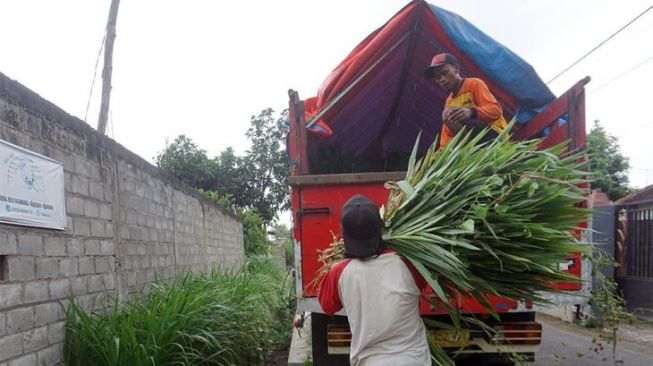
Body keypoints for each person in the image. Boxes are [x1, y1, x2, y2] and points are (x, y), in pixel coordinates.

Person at [317, 194, 430, 366]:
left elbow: (327, 306)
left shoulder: (339, 272)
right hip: (413, 360)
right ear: (381, 228)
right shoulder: (409, 264)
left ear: (344, 234)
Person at [424, 52, 507, 148]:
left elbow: (496, 111)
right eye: (438, 77)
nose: (442, 79)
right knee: (447, 115)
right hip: (476, 140)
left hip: (494, 134)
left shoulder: (474, 84)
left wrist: (472, 112)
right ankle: (470, 150)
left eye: (445, 73)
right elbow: (446, 136)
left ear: (456, 68)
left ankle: (474, 147)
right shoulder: (449, 101)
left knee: (447, 114)